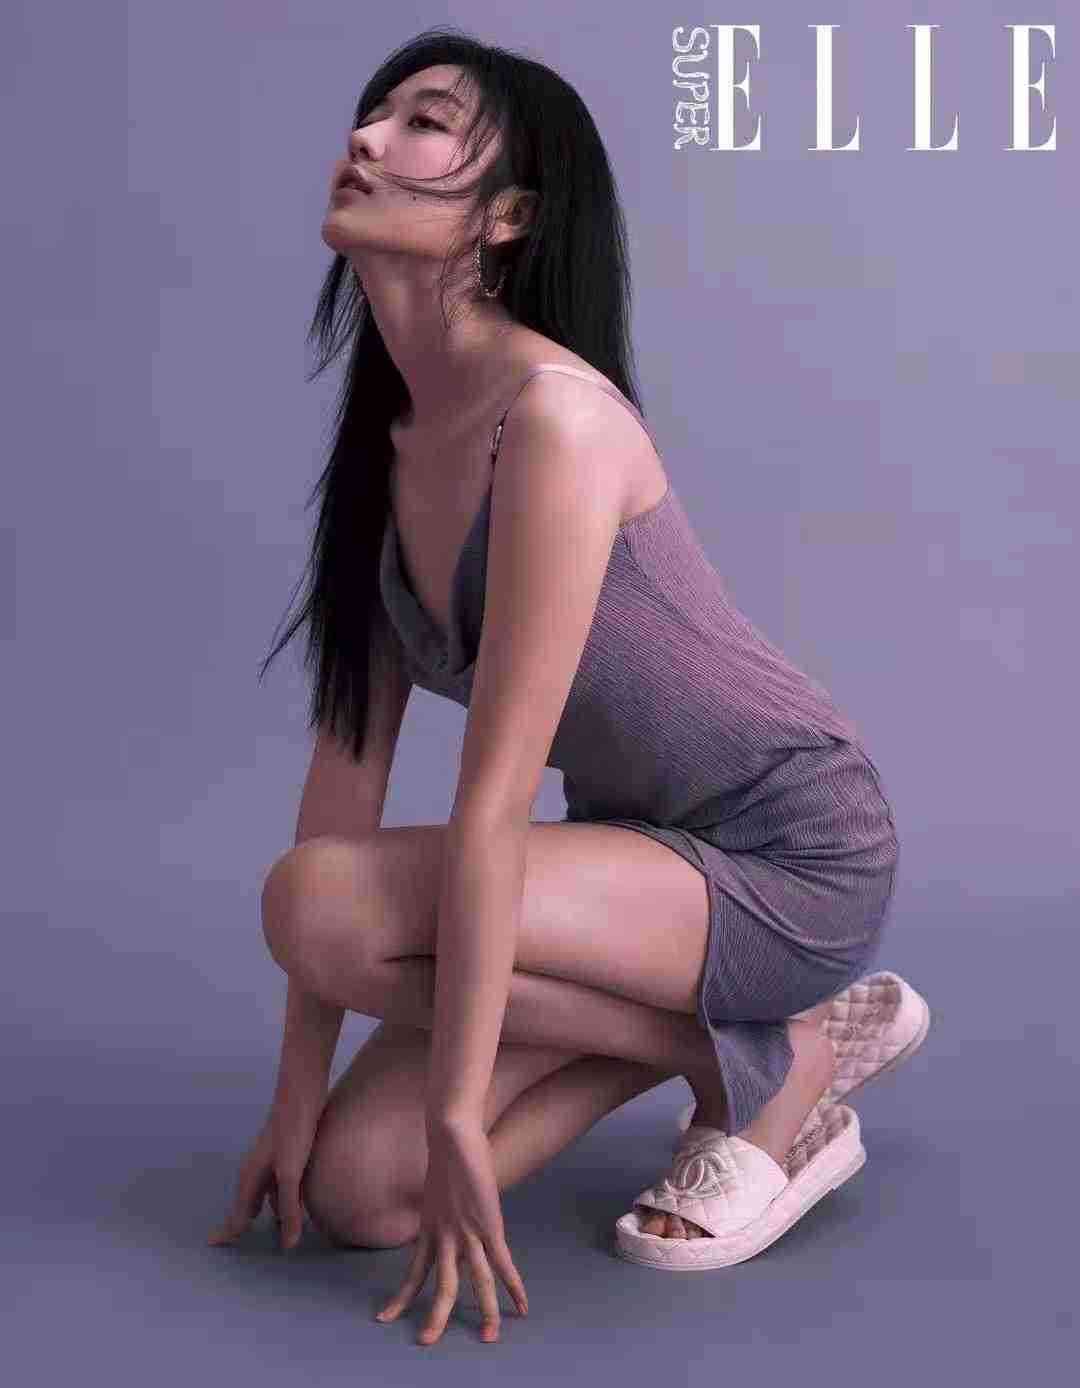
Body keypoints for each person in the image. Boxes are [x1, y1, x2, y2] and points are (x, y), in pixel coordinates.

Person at [208, 29, 923, 1343]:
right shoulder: (387, 449)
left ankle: (778, 1053)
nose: (364, 138)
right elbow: (343, 782)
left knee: (316, 904)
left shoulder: (554, 419)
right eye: (373, 114)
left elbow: (488, 803)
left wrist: (455, 1107)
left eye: (423, 122)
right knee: (362, 1194)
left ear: (510, 216)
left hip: (788, 850)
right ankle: (755, 1048)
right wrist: (295, 1103)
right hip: (629, 866)